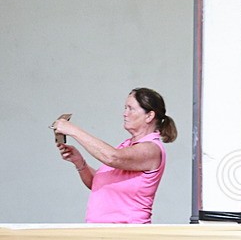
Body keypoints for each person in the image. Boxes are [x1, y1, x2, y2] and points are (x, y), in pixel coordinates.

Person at [54, 87, 177, 223]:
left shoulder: (151, 148)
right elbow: (97, 184)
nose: (125, 113)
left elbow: (112, 157)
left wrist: (73, 130)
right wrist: (80, 162)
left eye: (131, 108)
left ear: (149, 116)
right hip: (102, 233)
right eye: (125, 108)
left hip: (127, 235)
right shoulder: (126, 145)